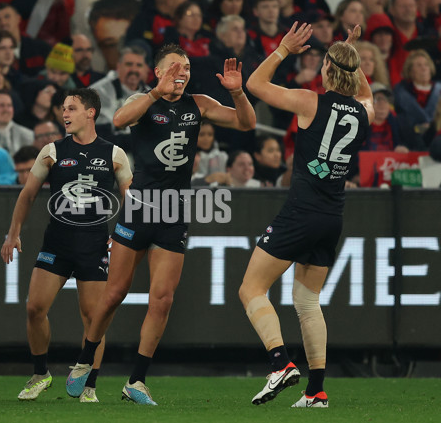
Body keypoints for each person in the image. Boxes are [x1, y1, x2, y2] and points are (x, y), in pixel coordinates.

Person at [66, 43, 256, 405]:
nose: (181, 73)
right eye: (173, 68)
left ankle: (135, 382)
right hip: (139, 208)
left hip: (174, 210)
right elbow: (119, 120)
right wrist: (155, 92)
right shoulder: (145, 101)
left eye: (185, 67)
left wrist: (236, 92)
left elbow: (246, 123)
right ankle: (85, 358)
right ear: (157, 72)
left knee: (163, 299)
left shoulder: (198, 104)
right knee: (115, 293)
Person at [240, 23, 374, 408]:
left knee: (251, 289)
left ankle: (280, 363)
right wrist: (349, 53)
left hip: (301, 211)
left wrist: (283, 49)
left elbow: (255, 84)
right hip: (332, 217)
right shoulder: (365, 113)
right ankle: (316, 391)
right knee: (307, 301)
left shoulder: (309, 101)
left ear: (327, 71)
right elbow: (364, 93)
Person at [1, 88, 133, 403]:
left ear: (91, 113)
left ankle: (89, 387)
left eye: (72, 108)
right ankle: (40, 373)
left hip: (95, 246)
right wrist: (13, 232)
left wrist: (122, 232)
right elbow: (28, 194)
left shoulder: (114, 154)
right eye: (63, 109)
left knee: (93, 318)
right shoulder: (52, 150)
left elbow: (132, 200)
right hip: (57, 242)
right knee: (34, 308)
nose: (65, 114)